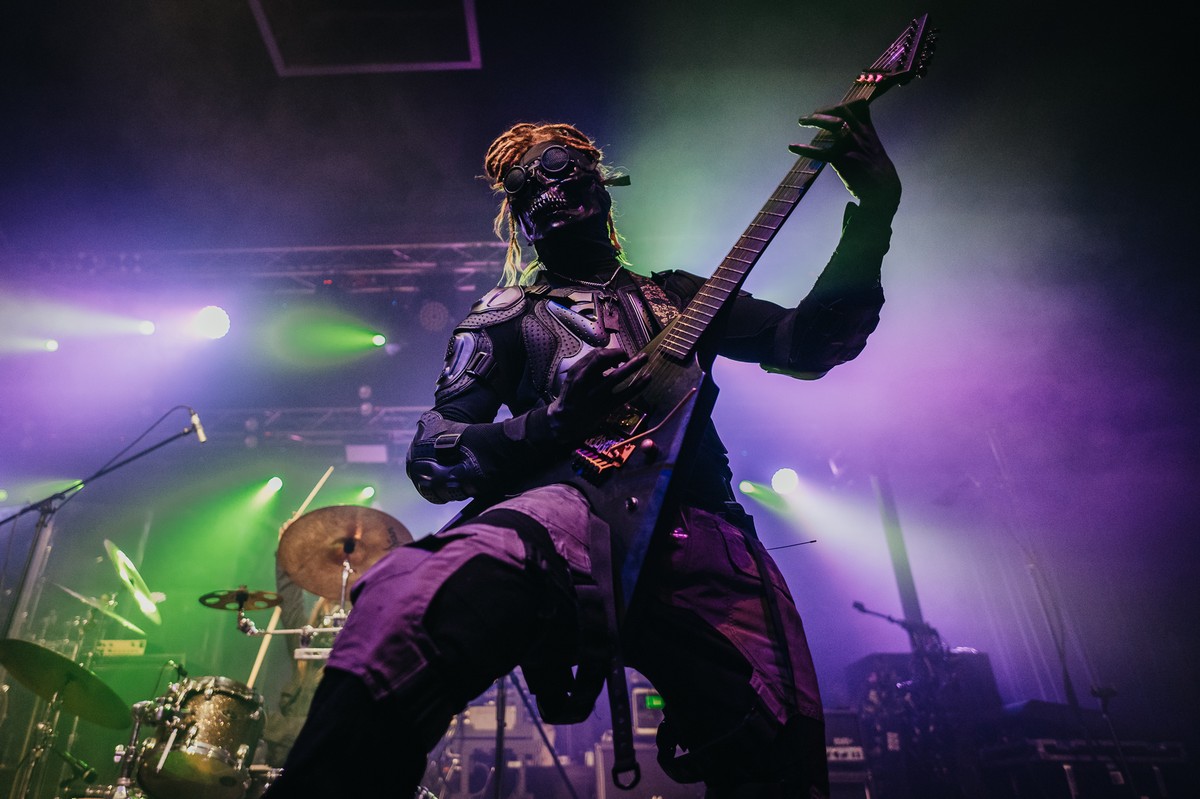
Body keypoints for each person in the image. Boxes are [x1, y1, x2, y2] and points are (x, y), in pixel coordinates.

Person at [263, 97, 901, 799]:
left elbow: (811, 344)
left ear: (603, 184)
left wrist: (873, 213)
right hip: (566, 515)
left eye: (564, 171)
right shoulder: (503, 317)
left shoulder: (683, 297)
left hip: (703, 534)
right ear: (517, 217)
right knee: (404, 600)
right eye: (527, 185)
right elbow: (432, 455)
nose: (549, 188)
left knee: (785, 749)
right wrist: (553, 422)